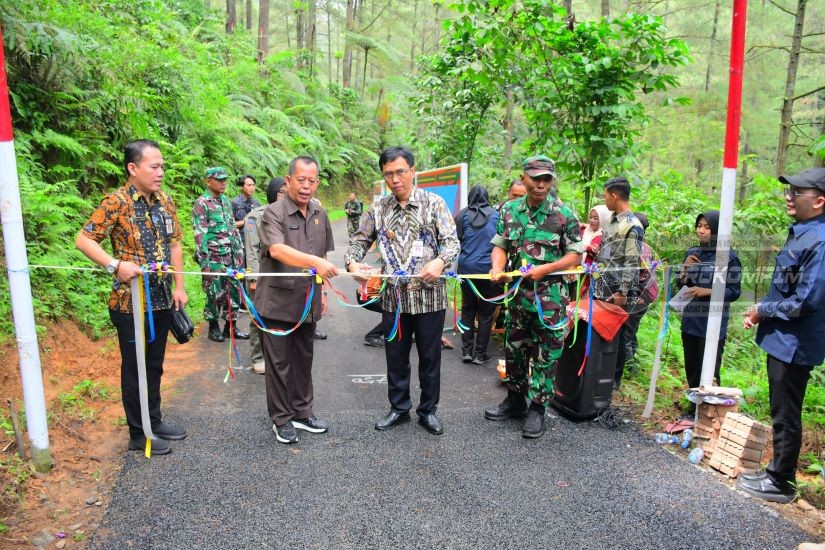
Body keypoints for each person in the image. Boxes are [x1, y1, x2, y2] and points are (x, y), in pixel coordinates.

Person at [75, 139, 188, 456]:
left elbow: (176, 244)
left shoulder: (165, 200)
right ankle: (139, 434)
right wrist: (114, 265)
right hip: (130, 304)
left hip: (163, 298)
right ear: (133, 168)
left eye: (162, 166)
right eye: (154, 166)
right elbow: (83, 239)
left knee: (154, 365)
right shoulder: (116, 202)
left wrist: (179, 286)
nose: (160, 172)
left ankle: (154, 421)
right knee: (135, 368)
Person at [345, 146, 460, 435]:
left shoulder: (434, 204)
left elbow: (452, 243)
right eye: (388, 174)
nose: (395, 179)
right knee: (395, 357)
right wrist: (352, 263)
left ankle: (428, 411)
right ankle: (399, 408)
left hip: (429, 297)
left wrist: (440, 260)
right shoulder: (378, 209)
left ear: (412, 171)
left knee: (430, 358)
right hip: (393, 300)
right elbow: (359, 241)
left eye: (400, 172)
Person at [739, 168, 825, 504]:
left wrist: (764, 308)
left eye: (797, 192)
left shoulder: (820, 239)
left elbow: (807, 300)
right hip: (783, 340)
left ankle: (782, 482)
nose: (789, 197)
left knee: (786, 413)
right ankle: (776, 471)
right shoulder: (804, 232)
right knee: (780, 410)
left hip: (795, 344)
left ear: (819, 200)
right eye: (788, 191)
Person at [483, 155, 583, 438]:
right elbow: (501, 244)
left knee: (546, 354)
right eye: (536, 178)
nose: (541, 184)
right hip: (516, 298)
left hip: (550, 299)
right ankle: (515, 399)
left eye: (547, 179)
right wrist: (497, 268)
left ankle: (538, 408)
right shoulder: (510, 210)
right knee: (515, 349)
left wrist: (547, 269)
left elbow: (575, 254)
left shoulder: (564, 214)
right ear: (523, 177)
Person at [254, 156, 336, 445]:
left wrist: (323, 291)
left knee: (304, 358)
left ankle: (303, 412)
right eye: (301, 179)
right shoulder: (272, 213)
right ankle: (281, 418)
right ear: (288, 180)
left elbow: (323, 256)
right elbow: (277, 250)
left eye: (312, 180)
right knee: (279, 363)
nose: (306, 186)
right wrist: (313, 262)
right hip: (277, 302)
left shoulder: (319, 213)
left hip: (307, 300)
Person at [677, 209, 742, 416]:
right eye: (699, 226)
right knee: (692, 365)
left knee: (710, 369)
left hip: (712, 322)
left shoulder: (728, 257)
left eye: (707, 227)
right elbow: (682, 284)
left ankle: (711, 412)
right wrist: (684, 270)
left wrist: (708, 291)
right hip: (691, 319)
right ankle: (693, 407)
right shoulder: (692, 253)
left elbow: (734, 291)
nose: (701, 231)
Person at [592, 176, 644, 390]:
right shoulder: (612, 220)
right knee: (601, 329)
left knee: (619, 335)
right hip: (602, 285)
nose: (604, 199)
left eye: (605, 195)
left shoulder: (632, 225)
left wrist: (623, 291)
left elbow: (631, 262)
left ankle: (614, 378)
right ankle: (598, 371)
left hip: (618, 291)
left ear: (614, 196)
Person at [193, 167, 249, 343]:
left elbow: (232, 227)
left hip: (230, 257)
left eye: (225, 179)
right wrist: (205, 262)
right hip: (214, 258)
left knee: (233, 292)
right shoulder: (202, 203)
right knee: (214, 294)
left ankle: (230, 328)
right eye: (219, 180)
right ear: (208, 181)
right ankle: (213, 327)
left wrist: (239, 251)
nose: (223, 183)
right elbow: (200, 234)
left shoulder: (225, 201)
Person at [243, 178, 286, 374]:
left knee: (279, 316)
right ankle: (258, 357)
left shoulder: (289, 215)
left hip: (281, 275)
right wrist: (253, 278)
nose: (285, 197)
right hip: (261, 275)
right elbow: (251, 251)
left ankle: (275, 355)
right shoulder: (256, 217)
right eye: (281, 193)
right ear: (273, 194)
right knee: (258, 317)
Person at [455, 185, 499, 365]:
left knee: (468, 310)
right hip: (489, 270)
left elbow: (457, 238)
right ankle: (480, 354)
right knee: (486, 314)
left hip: (466, 269)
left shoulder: (462, 215)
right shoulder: (497, 215)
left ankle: (466, 351)